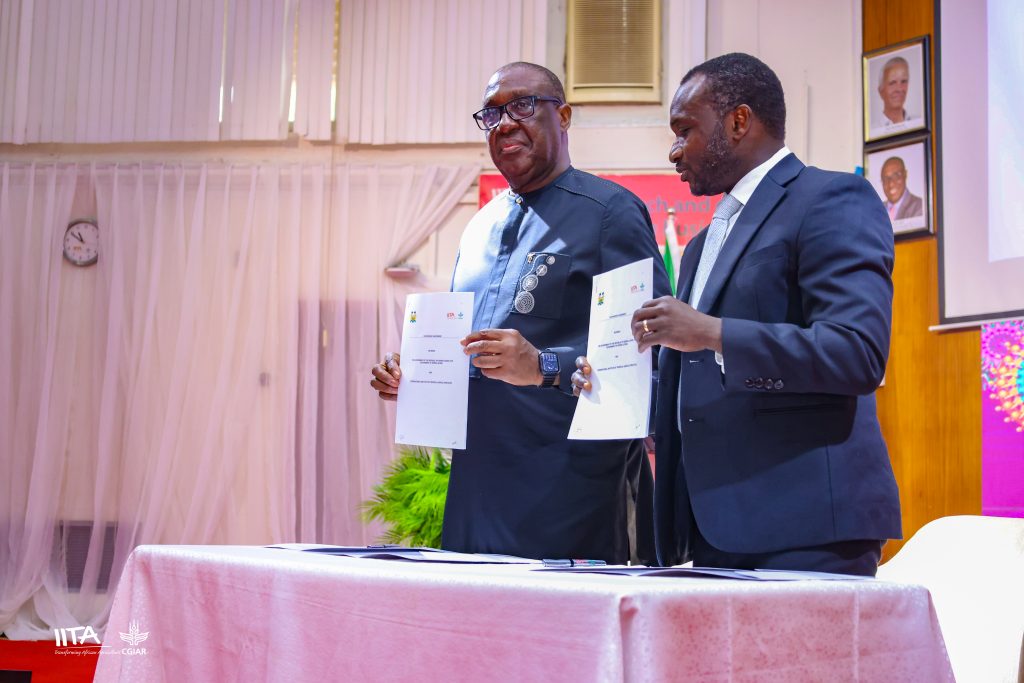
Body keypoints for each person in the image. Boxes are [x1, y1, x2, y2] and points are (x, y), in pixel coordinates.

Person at [575, 53, 901, 576]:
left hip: (806, 524)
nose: (673, 150)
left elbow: (856, 353)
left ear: (739, 121)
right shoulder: (703, 244)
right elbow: (700, 381)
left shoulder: (830, 198)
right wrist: (614, 388)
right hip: (711, 526)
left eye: (685, 130)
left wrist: (709, 332)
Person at [370, 62, 670, 564]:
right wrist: (419, 377)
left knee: (558, 639)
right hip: (474, 491)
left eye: (524, 105)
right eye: (491, 114)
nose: (505, 122)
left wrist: (544, 365)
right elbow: (472, 359)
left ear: (565, 116)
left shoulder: (609, 214)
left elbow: (647, 362)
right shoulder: (479, 228)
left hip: (569, 495)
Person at [879, 156, 923, 221]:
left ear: (905, 174)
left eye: (896, 176)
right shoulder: (876, 211)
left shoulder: (920, 207)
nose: (891, 184)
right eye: (885, 179)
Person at [877, 56, 911, 126]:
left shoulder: (917, 123)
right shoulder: (874, 129)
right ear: (881, 91)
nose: (899, 89)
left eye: (904, 81)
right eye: (892, 83)